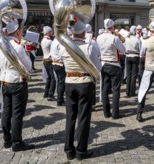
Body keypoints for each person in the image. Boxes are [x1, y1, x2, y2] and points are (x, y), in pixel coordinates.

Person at [60, 20, 101, 161]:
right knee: (83, 117)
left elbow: (60, 61)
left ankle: (68, 149)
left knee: (70, 116)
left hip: (69, 82)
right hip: (85, 83)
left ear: (72, 32)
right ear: (84, 32)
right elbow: (98, 68)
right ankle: (81, 150)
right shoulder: (89, 47)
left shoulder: (63, 47)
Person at [0, 20, 35, 152]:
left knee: (6, 112)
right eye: (21, 31)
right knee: (17, 114)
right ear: (17, 32)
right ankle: (17, 142)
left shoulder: (0, 45)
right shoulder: (18, 47)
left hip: (4, 82)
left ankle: (7, 139)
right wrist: (28, 54)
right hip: (17, 82)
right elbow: (28, 67)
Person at [97, 18, 125, 119]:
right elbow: (123, 50)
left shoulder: (99, 37)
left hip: (104, 64)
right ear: (112, 27)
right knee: (116, 90)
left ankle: (106, 112)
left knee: (104, 89)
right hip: (114, 64)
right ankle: (115, 113)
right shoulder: (114, 38)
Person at [124, 25, 140, 97]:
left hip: (128, 56)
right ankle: (132, 91)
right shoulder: (137, 39)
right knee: (134, 75)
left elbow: (124, 47)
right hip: (135, 56)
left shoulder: (127, 39)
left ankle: (128, 91)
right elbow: (140, 48)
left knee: (129, 74)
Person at [41, 26, 56, 101]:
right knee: (53, 79)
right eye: (51, 31)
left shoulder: (43, 40)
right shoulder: (50, 41)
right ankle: (50, 94)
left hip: (45, 60)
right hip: (49, 61)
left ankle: (46, 93)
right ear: (49, 32)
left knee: (49, 78)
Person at [50, 36, 66, 106]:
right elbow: (63, 54)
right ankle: (60, 100)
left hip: (54, 63)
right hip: (59, 64)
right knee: (61, 83)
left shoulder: (54, 41)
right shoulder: (60, 42)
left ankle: (60, 99)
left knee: (60, 82)